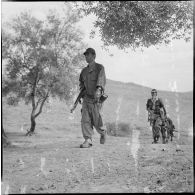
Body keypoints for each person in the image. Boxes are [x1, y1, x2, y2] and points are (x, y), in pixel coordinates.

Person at [78, 48, 107, 148]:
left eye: (88, 55)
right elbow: (81, 84)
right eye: (85, 55)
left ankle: (103, 133)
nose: (86, 56)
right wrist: (80, 95)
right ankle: (88, 140)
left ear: (94, 56)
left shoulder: (100, 68)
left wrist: (99, 89)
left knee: (97, 121)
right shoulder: (84, 71)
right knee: (85, 119)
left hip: (96, 100)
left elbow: (101, 80)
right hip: (86, 99)